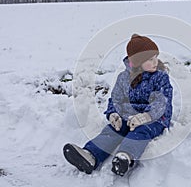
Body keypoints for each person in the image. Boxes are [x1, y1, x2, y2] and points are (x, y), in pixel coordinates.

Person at [63, 34, 173, 176]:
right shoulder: (124, 77)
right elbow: (116, 99)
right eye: (150, 59)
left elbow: (162, 101)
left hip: (155, 119)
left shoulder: (161, 77)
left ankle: (124, 158)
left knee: (141, 132)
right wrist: (113, 114)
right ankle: (90, 156)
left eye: (155, 57)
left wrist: (145, 117)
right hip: (128, 116)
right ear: (138, 62)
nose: (155, 62)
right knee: (111, 131)